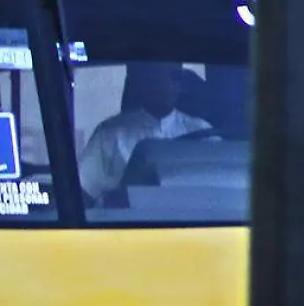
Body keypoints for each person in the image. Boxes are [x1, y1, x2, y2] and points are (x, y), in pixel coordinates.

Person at [78, 62, 211, 201]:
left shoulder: (204, 134)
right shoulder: (109, 134)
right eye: (156, 77)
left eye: (173, 77)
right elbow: (83, 193)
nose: (165, 85)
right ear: (142, 83)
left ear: (181, 85)